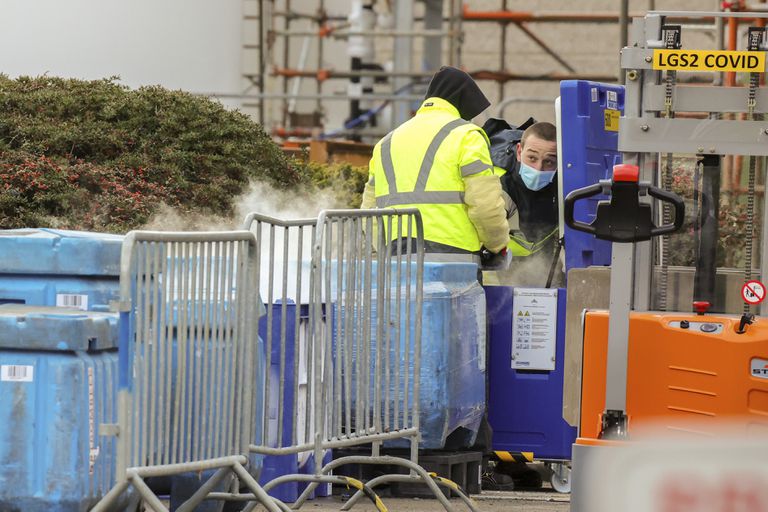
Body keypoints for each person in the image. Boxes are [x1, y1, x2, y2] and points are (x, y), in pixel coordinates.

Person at [360, 66, 509, 263]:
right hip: (453, 256)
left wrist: (386, 249)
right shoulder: (466, 135)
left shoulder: (386, 143)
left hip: (396, 259)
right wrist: (497, 245)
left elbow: (369, 210)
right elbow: (484, 204)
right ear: (462, 102)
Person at [483, 118, 561, 284]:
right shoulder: (498, 183)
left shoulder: (563, 184)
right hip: (498, 267)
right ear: (519, 152)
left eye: (549, 162)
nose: (538, 169)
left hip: (544, 266)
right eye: (532, 158)